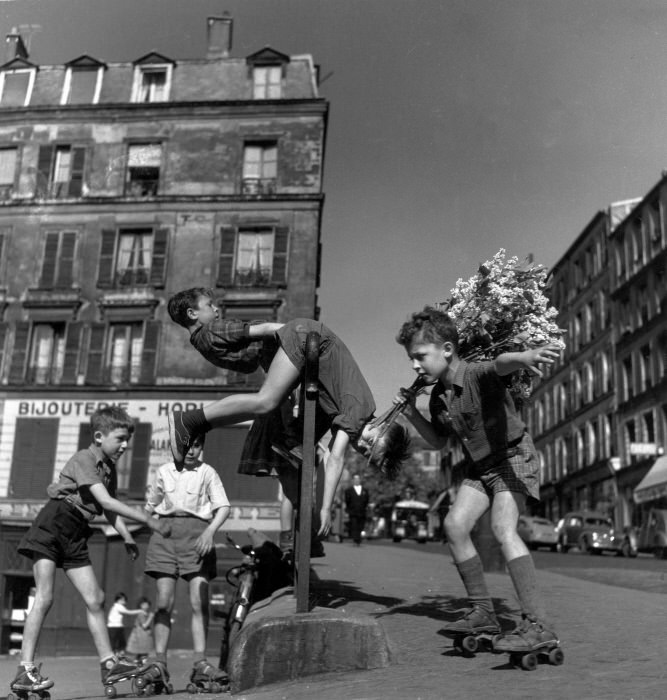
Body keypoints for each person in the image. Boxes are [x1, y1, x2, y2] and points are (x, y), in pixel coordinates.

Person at [165, 289, 410, 545]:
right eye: (371, 442)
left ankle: (303, 530)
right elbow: (336, 458)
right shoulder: (359, 412)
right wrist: (325, 509)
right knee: (266, 401)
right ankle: (189, 420)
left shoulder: (350, 417)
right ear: (380, 424)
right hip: (307, 340)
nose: (361, 445)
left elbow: (330, 453)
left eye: (366, 452)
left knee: (287, 442)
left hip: (309, 345)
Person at [395, 306, 562, 653]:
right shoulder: (439, 398)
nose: (415, 365)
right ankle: (483, 612)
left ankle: (538, 624)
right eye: (411, 359)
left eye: (420, 356)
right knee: (455, 525)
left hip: (514, 459)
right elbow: (440, 442)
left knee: (504, 528)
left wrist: (526, 355)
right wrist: (412, 411)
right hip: (481, 467)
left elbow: (500, 364)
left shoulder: (473, 374)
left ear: (447, 349)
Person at [11, 407, 171, 697]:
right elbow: (105, 502)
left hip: (76, 531)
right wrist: (147, 519)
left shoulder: (108, 471)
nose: (125, 446)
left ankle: (109, 663)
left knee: (95, 598)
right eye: (120, 439)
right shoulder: (84, 458)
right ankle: (25, 670)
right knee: (45, 597)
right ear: (99, 436)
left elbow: (109, 510)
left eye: (128, 441)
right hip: (54, 522)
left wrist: (127, 537)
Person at [141, 433, 230, 690]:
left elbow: (223, 507)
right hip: (165, 535)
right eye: (186, 446)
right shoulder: (163, 471)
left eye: (197, 446)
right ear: (175, 447)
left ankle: (200, 662)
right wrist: (129, 529)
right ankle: (159, 663)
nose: (191, 451)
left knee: (198, 602)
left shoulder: (208, 472)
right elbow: (151, 505)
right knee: (163, 602)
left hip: (197, 535)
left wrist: (209, 532)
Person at [107, 592, 142, 657]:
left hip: (117, 627)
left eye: (124, 599)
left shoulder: (117, 606)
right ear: (118, 600)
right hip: (114, 628)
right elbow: (128, 612)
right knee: (115, 643)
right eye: (122, 599)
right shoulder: (118, 606)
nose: (124, 601)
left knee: (121, 643)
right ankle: (113, 656)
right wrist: (140, 611)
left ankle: (119, 655)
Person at [125, 597, 154, 664]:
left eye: (147, 604)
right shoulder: (141, 614)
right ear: (140, 605)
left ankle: (138, 665)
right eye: (143, 605)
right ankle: (139, 666)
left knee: (142, 654)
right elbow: (144, 626)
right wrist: (150, 617)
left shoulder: (144, 613)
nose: (146, 606)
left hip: (143, 636)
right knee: (143, 654)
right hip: (141, 636)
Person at [344, 474, 370, 546]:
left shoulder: (365, 490)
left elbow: (367, 500)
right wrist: (349, 509)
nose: (356, 480)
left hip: (362, 512)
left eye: (358, 479)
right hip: (353, 512)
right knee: (354, 525)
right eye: (355, 479)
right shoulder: (348, 491)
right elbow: (347, 501)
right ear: (353, 480)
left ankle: (359, 539)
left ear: (360, 480)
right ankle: (356, 540)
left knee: (361, 526)